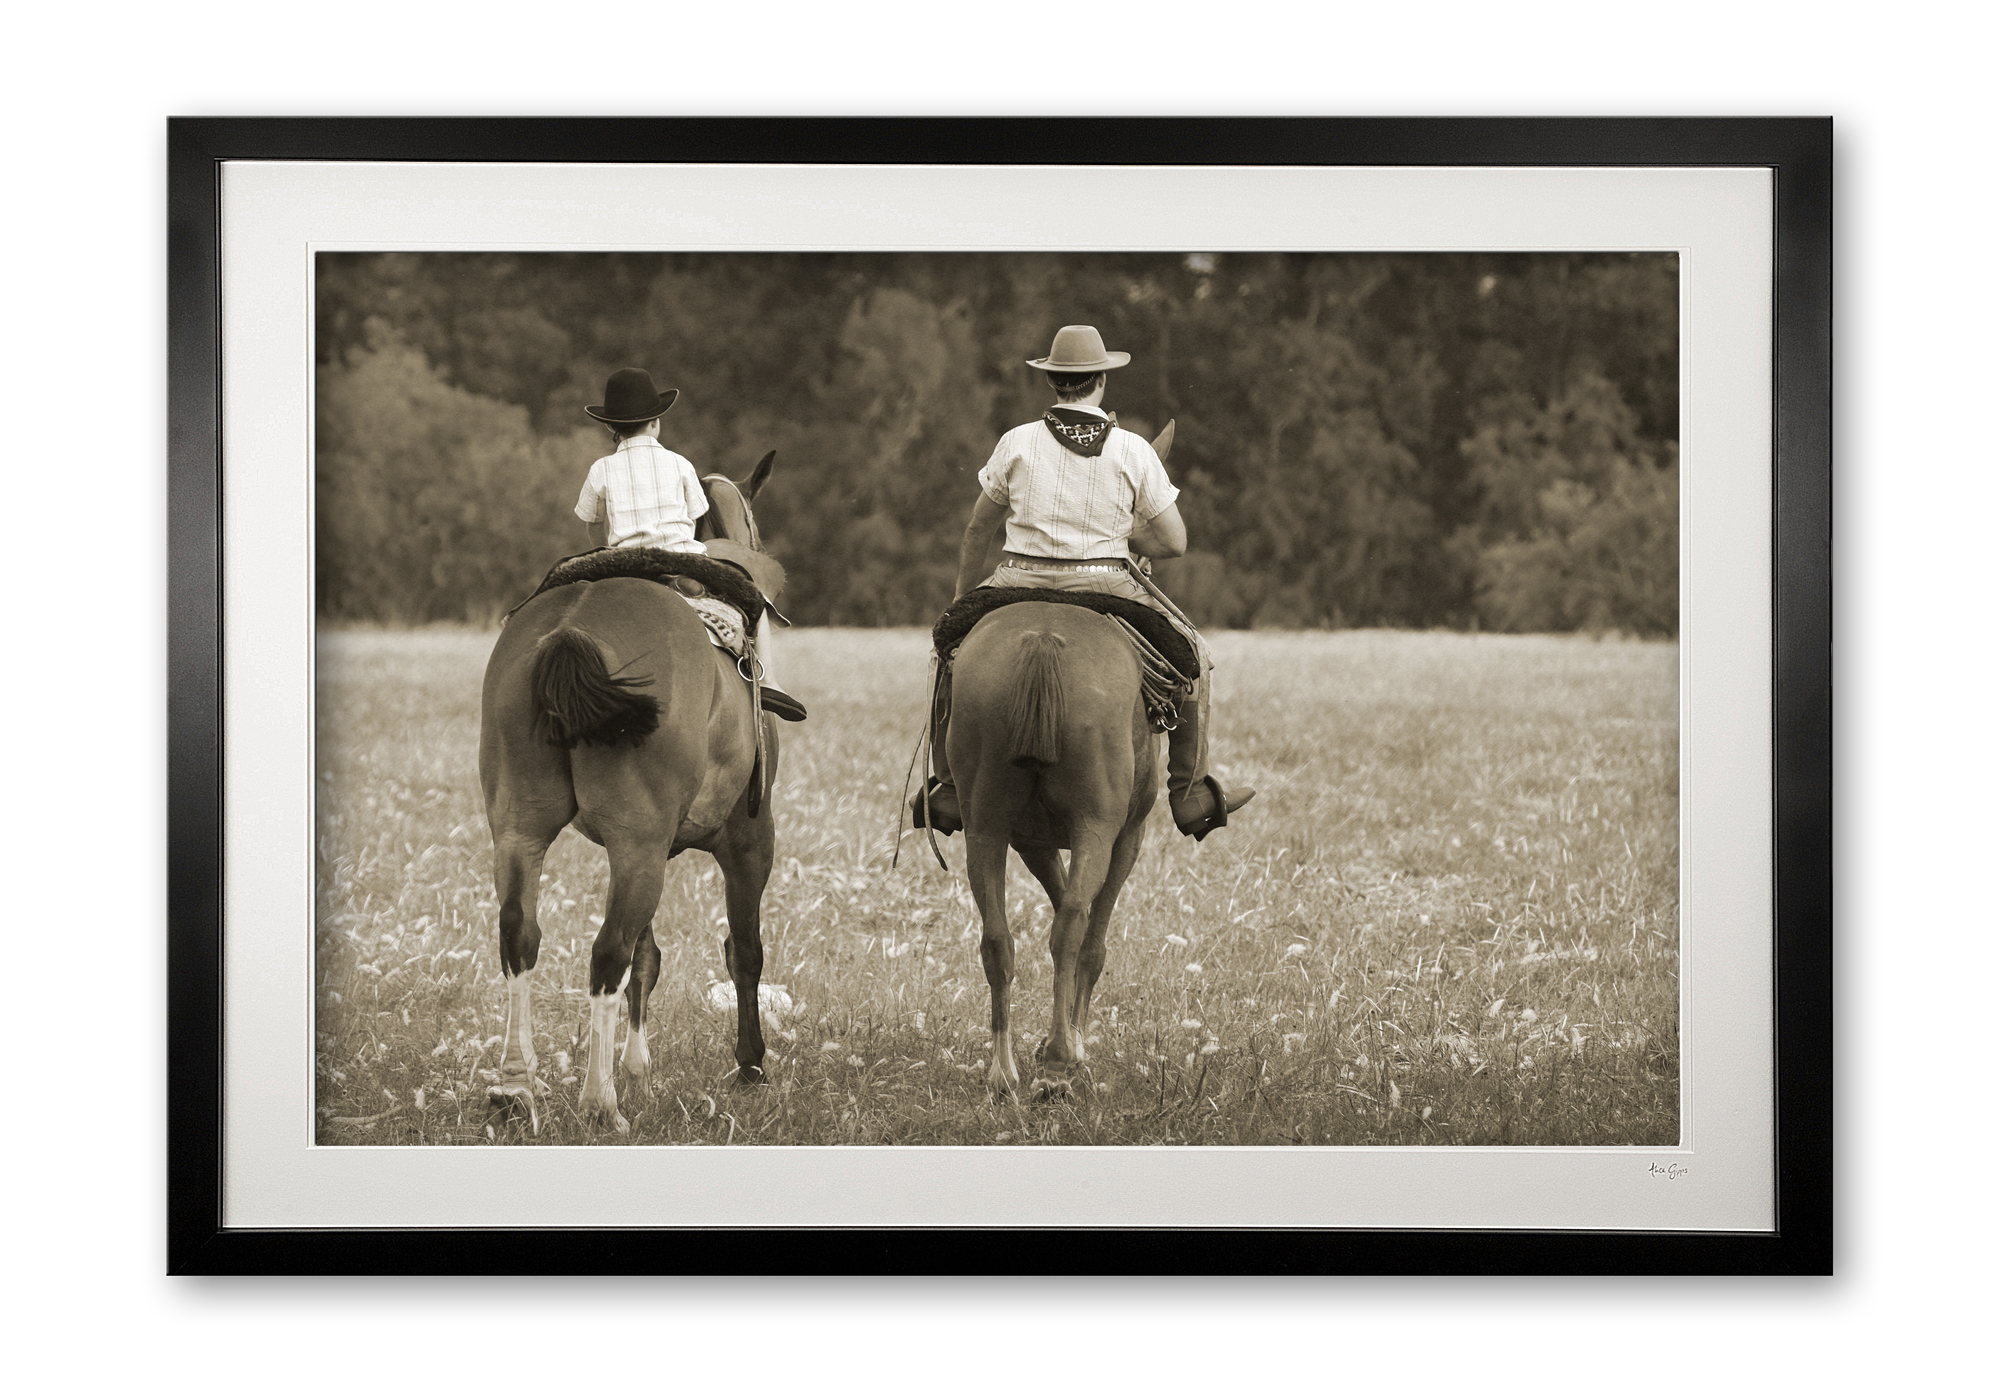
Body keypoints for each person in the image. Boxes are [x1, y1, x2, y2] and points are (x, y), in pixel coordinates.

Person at [912, 325, 1252, 839]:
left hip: (1015, 578)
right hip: (1106, 582)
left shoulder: (1016, 442)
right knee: (1194, 655)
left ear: (1053, 381)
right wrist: (1128, 538)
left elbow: (979, 527)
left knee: (946, 655)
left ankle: (949, 788)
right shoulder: (1134, 450)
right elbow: (1175, 542)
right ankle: (1190, 792)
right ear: (1101, 381)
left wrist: (962, 602)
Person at [577, 367, 806, 722]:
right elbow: (698, 518)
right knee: (754, 599)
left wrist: (605, 551)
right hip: (681, 562)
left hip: (620, 565)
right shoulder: (680, 464)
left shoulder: (600, 469)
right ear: (655, 422)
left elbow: (592, 522)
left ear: (611, 427)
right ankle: (770, 681)